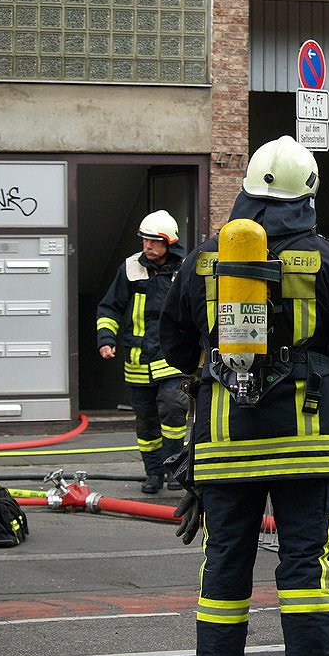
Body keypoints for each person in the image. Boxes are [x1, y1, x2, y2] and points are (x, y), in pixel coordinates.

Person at [159, 136, 329, 656]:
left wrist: (221, 374)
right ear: (307, 196)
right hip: (309, 440)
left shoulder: (204, 259)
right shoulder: (328, 259)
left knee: (227, 553)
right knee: (307, 557)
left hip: (226, 439)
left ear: (248, 191)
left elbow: (173, 342)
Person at [96, 210, 189, 494]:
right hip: (138, 360)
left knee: (173, 410)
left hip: (172, 359)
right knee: (146, 421)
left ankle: (175, 469)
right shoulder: (130, 268)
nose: (147, 247)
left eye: (153, 242)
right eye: (144, 241)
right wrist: (105, 338)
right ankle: (154, 474)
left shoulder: (184, 270)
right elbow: (110, 307)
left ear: (169, 243)